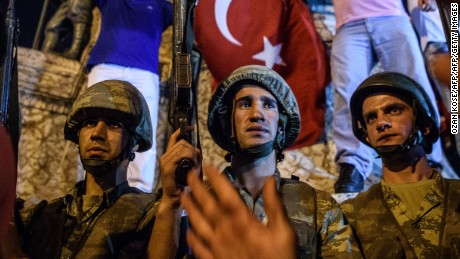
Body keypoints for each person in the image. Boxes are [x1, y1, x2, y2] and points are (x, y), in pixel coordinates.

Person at [148, 65, 359, 258]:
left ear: (281, 124)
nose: (256, 114)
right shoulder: (193, 202)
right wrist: (172, 201)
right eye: (245, 104)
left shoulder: (317, 206)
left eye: (268, 105)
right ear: (227, 123)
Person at [1, 80, 158, 258]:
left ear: (135, 142)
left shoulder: (149, 213)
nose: (97, 134)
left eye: (113, 125)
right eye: (90, 123)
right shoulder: (41, 217)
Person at [341, 72, 460, 257]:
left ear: (424, 124)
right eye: (371, 118)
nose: (381, 123)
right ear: (367, 135)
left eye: (394, 110)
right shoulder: (350, 215)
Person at [330, 0, 444, 193]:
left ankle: (430, 159)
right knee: (346, 94)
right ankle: (352, 167)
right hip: (348, 23)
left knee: (415, 86)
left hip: (391, 15)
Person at [86, 0, 173, 193]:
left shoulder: (161, 6)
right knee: (90, 128)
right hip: (106, 65)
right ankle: (89, 188)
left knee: (144, 132)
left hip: (144, 72)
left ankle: (140, 192)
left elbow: (193, 13)